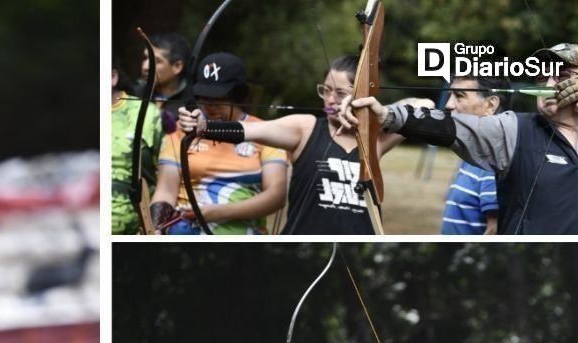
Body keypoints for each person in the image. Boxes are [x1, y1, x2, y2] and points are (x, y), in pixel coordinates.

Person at [340, 43, 578, 233]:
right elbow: (449, 126)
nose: (549, 84)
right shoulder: (513, 130)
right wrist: (386, 114)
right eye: (541, 78)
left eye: (562, 75)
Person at [178, 55, 431, 234]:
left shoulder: (376, 139)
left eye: (341, 94)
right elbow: (251, 130)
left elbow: (425, 105)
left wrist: (377, 112)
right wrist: (204, 127)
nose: (330, 99)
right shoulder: (306, 127)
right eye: (326, 90)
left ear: (363, 95)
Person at [149, 52, 288, 234]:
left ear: (237, 95)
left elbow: (276, 196)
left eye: (219, 98)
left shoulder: (267, 132)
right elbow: (165, 191)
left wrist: (217, 212)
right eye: (205, 97)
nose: (210, 105)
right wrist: (155, 228)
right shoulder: (181, 129)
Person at [440, 75, 510, 234]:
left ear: (490, 105)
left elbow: (494, 231)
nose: (448, 105)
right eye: (450, 95)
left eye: (459, 96)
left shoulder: (491, 163)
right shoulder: (474, 154)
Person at [112, 55, 163, 234]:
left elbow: (167, 177)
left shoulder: (148, 114)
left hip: (139, 228)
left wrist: (156, 224)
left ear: (113, 77)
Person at [140, 33, 194, 134]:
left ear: (177, 66)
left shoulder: (191, 106)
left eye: (156, 61)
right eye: (145, 58)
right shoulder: (134, 96)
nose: (145, 67)